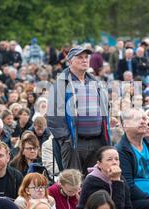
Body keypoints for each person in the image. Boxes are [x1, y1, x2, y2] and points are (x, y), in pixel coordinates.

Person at [47, 45, 111, 175]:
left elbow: (105, 107)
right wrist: (66, 139)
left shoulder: (95, 82)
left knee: (95, 182)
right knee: (74, 183)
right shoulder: (61, 83)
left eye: (86, 57)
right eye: (80, 57)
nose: (84, 60)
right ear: (69, 61)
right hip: (74, 142)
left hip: (97, 141)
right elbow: (53, 116)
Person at [73, 146, 149, 209]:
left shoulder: (121, 178)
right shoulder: (92, 181)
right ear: (99, 164)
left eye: (117, 159)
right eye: (109, 159)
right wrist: (116, 181)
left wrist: (117, 180)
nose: (114, 162)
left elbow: (127, 206)